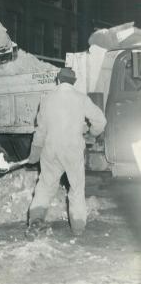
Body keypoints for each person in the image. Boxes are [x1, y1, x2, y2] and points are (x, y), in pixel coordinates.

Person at [27, 67, 107, 236]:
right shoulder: (81, 98)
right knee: (77, 188)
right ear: (74, 82)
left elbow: (40, 130)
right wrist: (91, 133)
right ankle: (78, 228)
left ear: (58, 80)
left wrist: (35, 152)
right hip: (72, 150)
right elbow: (101, 121)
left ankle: (35, 221)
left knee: (45, 186)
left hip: (50, 150)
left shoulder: (47, 99)